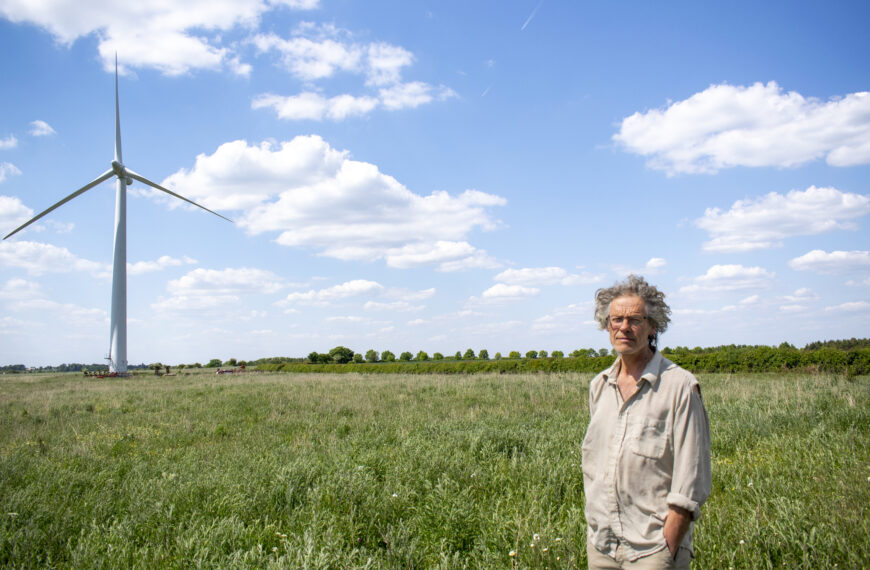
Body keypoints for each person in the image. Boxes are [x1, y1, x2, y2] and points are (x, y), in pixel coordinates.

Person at [582, 275, 711, 569]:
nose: (624, 327)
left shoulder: (680, 386)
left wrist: (668, 545)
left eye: (635, 319)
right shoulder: (600, 386)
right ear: (606, 325)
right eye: (616, 320)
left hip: (653, 549)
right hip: (602, 544)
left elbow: (692, 476)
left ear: (653, 326)